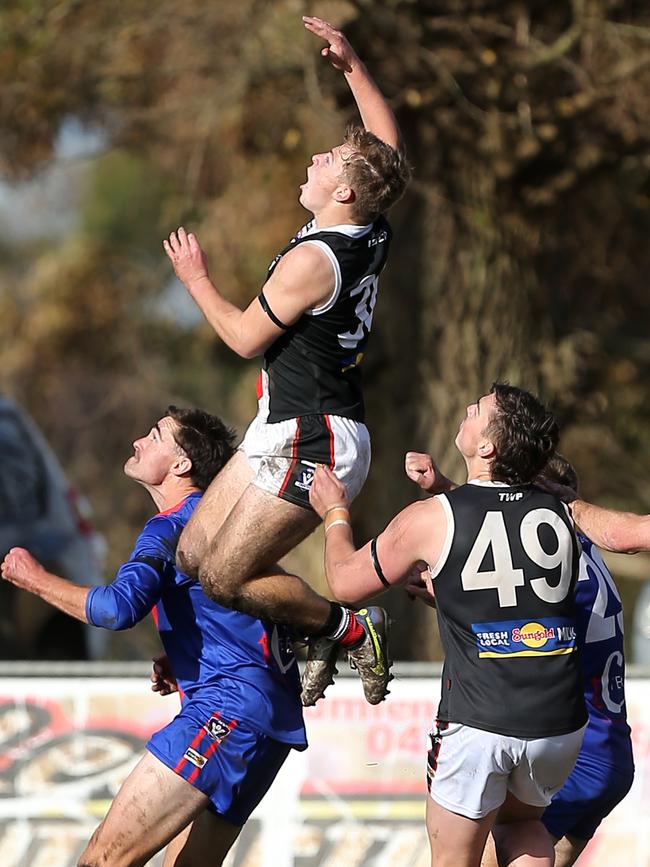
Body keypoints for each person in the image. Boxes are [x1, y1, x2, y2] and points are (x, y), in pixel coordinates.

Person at [162, 16, 409, 707]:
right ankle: (302, 634)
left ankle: (348, 628)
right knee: (191, 558)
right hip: (288, 421)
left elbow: (242, 338)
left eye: (327, 162)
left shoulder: (313, 259)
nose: (314, 162)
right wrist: (353, 64)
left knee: (224, 576)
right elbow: (387, 149)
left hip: (319, 435)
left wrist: (195, 281)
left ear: (346, 193)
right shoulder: (366, 224)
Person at [0, 406, 307, 867]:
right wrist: (188, 654)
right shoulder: (225, 522)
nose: (138, 441)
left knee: (103, 860)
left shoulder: (171, 526)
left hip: (227, 712)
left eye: (155, 435)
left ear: (182, 464)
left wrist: (35, 578)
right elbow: (251, 610)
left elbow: (117, 608)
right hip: (266, 722)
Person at [309, 383, 588, 867]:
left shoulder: (432, 518)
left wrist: (335, 513)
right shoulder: (559, 512)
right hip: (557, 727)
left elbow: (344, 583)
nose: (467, 407)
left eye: (478, 409)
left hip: (480, 723)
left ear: (487, 447)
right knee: (522, 826)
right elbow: (497, 528)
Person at [407, 452, 635, 867]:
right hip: (610, 750)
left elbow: (518, 630)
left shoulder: (553, 570)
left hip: (577, 751)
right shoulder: (578, 552)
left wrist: (446, 594)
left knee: (487, 851)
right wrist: (443, 487)